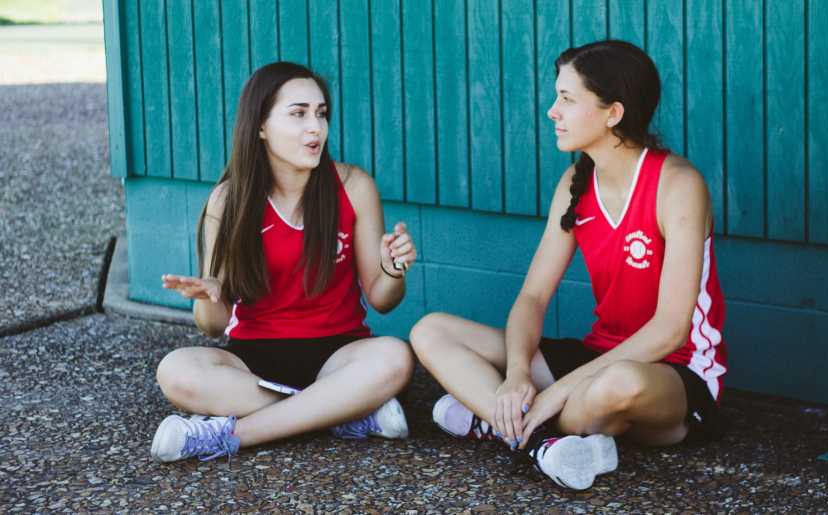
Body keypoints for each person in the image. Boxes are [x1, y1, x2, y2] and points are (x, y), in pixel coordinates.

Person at [410, 40, 727, 491]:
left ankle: (497, 423)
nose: (552, 111)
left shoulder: (677, 184)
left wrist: (556, 390)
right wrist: (518, 374)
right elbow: (534, 297)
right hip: (596, 356)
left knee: (615, 385)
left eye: (566, 98)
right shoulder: (575, 184)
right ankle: (541, 440)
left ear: (613, 113)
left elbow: (671, 329)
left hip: (671, 375)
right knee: (431, 330)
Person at [150, 61, 417, 463]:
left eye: (321, 113)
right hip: (253, 362)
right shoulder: (228, 201)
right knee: (175, 370)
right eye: (298, 114)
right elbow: (214, 324)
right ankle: (341, 412)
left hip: (339, 355)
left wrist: (393, 270)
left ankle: (229, 434)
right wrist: (208, 295)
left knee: (395, 356)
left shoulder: (354, 186)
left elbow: (382, 298)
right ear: (260, 125)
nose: (316, 127)